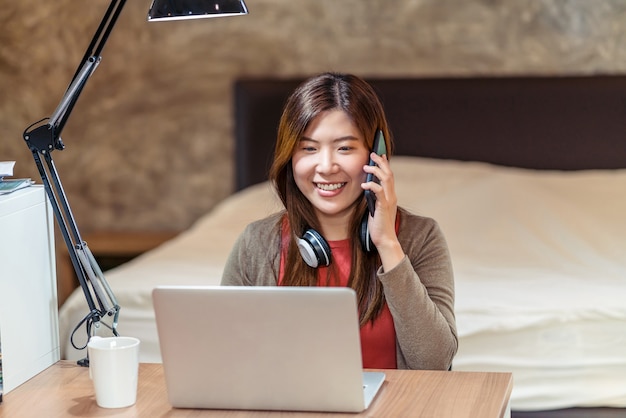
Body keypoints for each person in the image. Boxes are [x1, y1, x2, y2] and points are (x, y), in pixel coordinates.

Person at [221, 72, 457, 370]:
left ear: (376, 156)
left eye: (345, 148)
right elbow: (226, 359)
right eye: (308, 148)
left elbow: (434, 363)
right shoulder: (257, 242)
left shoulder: (421, 237)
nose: (326, 166)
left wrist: (387, 243)